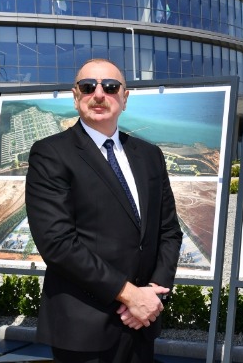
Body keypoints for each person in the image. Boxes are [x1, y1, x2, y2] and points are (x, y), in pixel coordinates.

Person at [26, 58, 183, 363]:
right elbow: (57, 243)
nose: (99, 94)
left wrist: (152, 294)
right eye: (88, 87)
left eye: (110, 87)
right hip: (83, 327)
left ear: (125, 97)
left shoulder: (149, 155)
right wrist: (130, 295)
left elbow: (168, 232)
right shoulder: (51, 154)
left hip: (142, 322)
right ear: (76, 97)